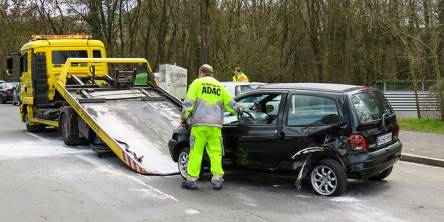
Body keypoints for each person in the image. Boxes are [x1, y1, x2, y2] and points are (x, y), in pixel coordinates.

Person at [181, 64, 240, 190]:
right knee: (215, 153)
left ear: (202, 72)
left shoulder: (196, 83)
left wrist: (184, 118)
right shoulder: (220, 86)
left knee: (196, 152)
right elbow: (230, 104)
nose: (199, 75)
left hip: (199, 125)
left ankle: (191, 180)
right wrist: (239, 110)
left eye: (199, 73)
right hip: (215, 126)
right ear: (211, 73)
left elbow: (189, 104)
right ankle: (217, 179)